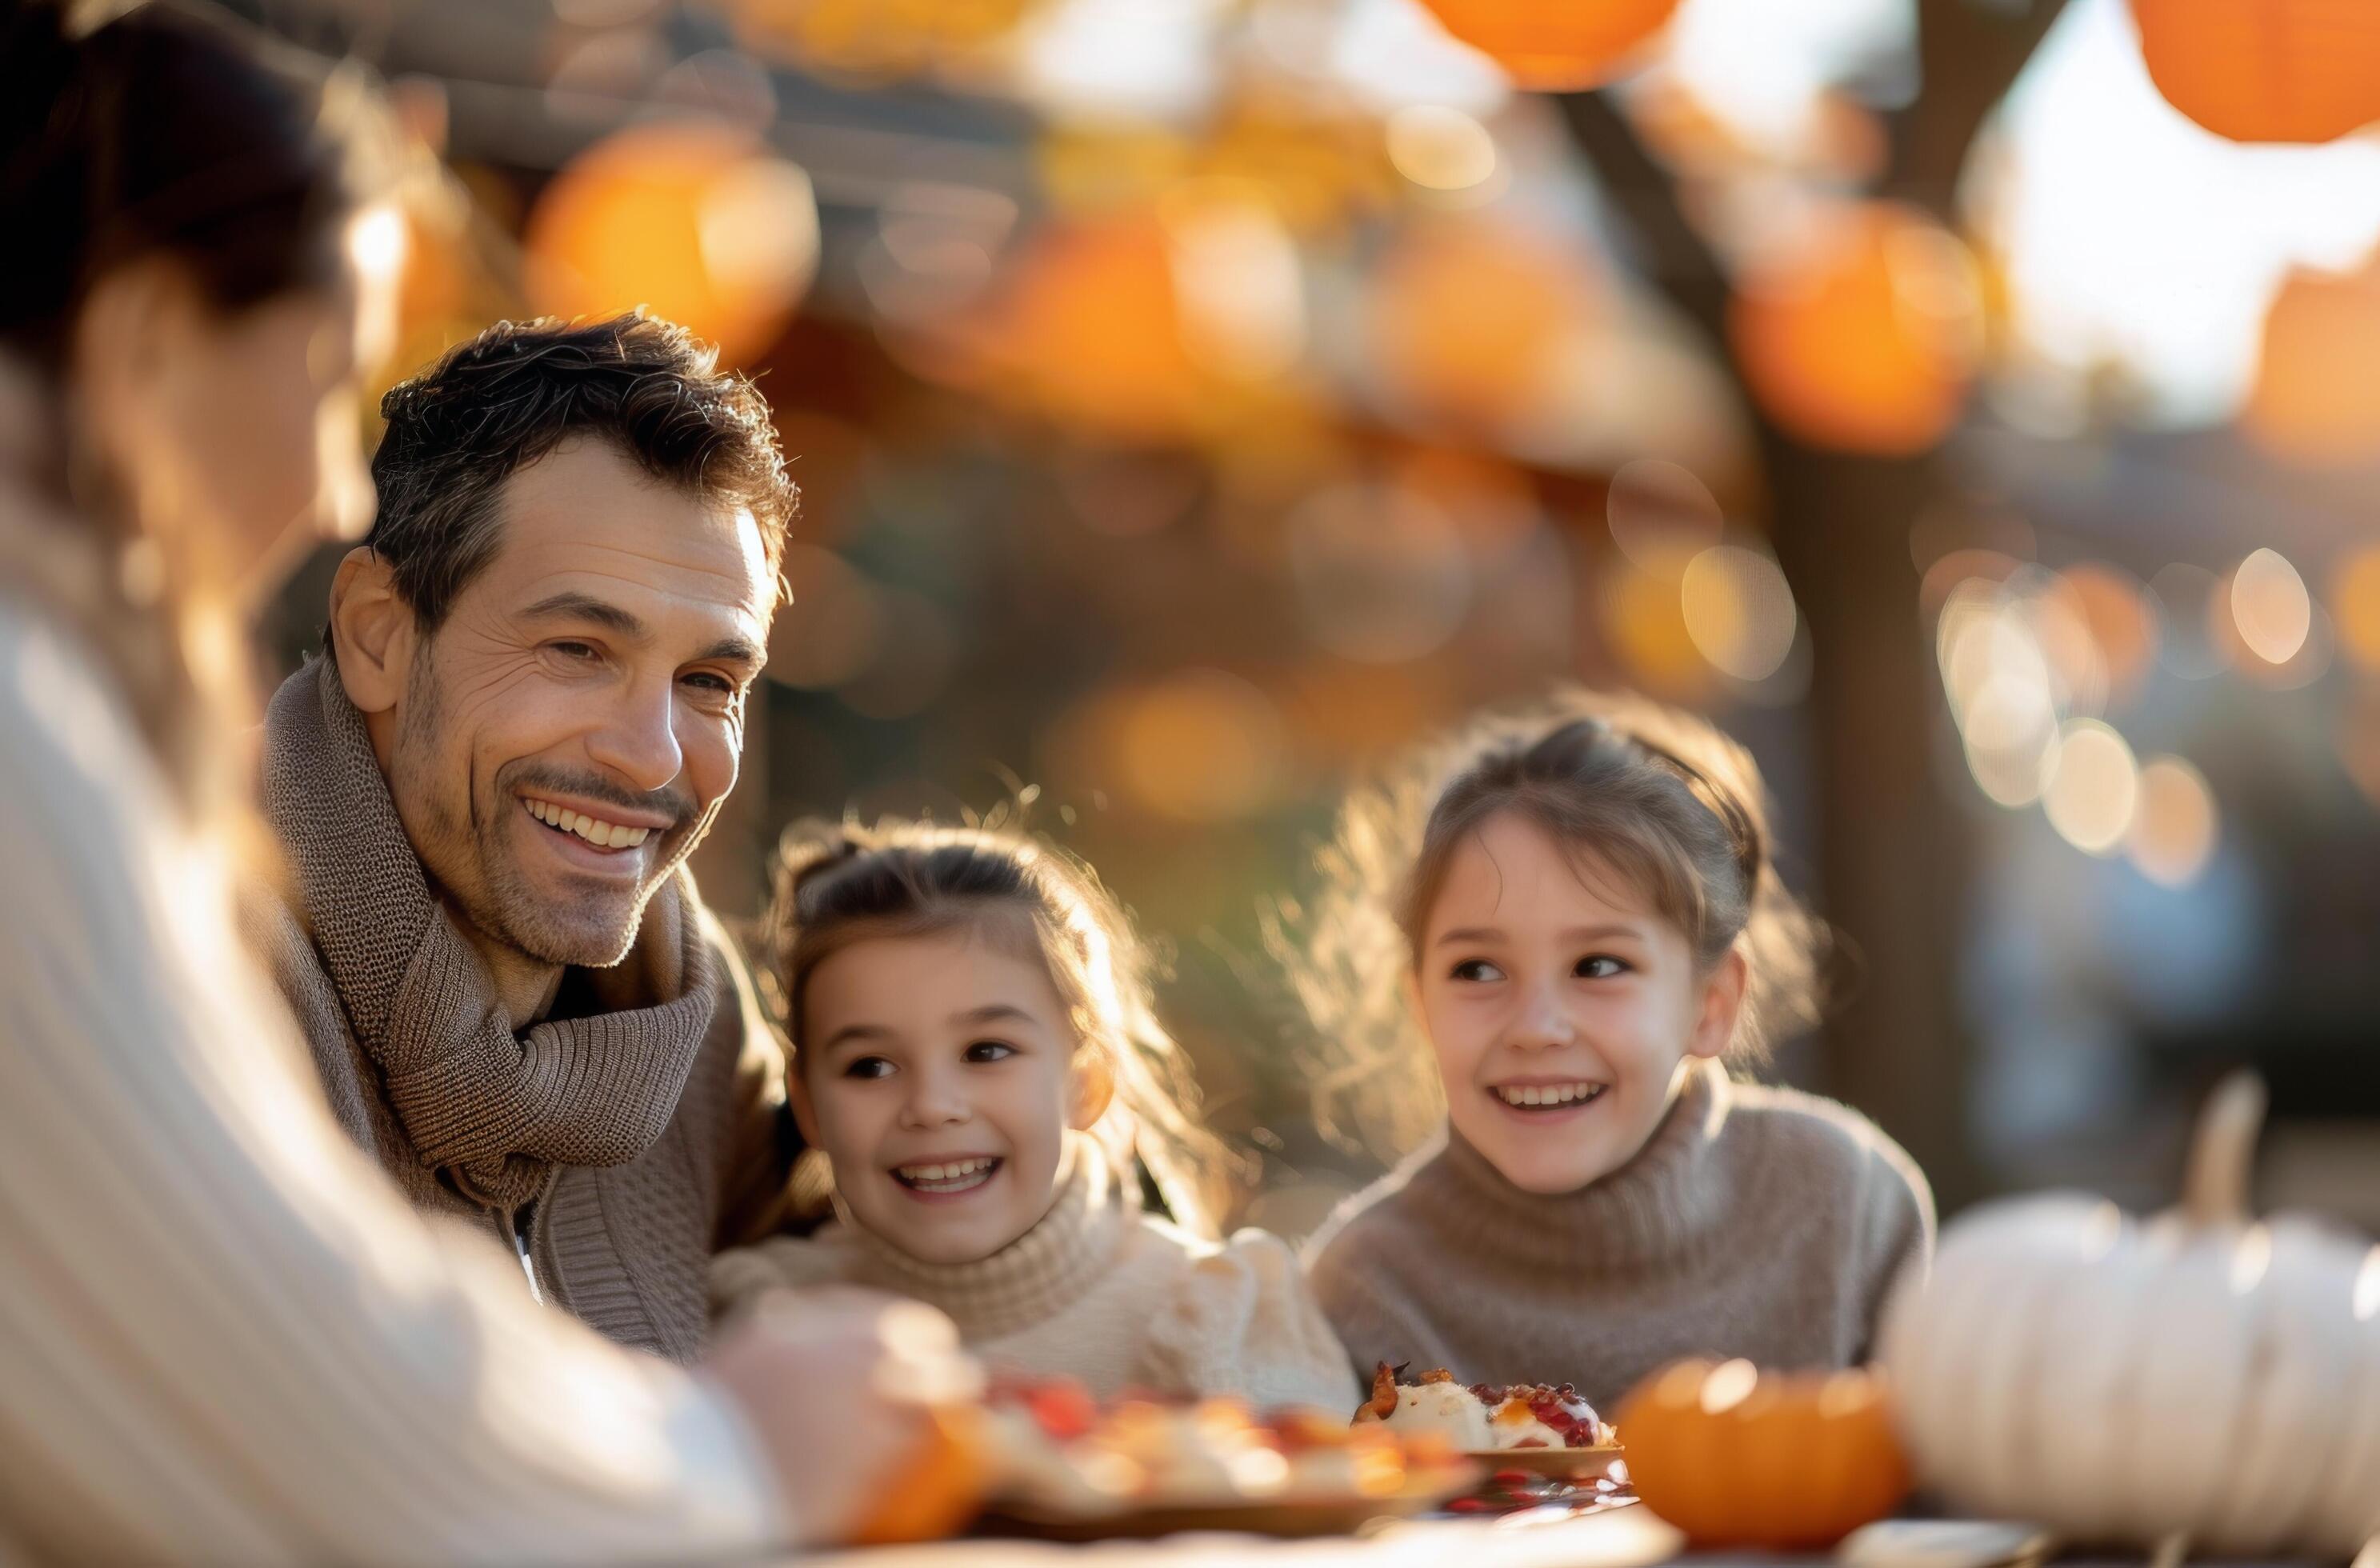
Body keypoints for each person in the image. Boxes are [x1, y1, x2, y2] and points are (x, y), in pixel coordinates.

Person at [0, 1, 963, 1558]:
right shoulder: (42, 760)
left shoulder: (700, 1040)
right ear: (147, 342)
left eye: (707, 677)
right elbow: (280, 1385)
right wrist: (721, 1450)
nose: (326, 479)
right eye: (323, 380)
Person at [252, 312, 800, 1362]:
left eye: (707, 683)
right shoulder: (167, 943)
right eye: (578, 648)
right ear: (378, 635)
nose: (651, 756)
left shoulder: (695, 1021)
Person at [1293, 690, 1933, 1410]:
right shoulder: (1365, 1290)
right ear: (1421, 1006)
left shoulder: (1845, 1208)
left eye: (1597, 966)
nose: (1535, 1026)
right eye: (1476, 970)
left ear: (1710, 1005)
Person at [712, 818, 1360, 1411]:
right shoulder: (763, 1323)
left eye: (985, 1051)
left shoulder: (1217, 1319)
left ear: (1086, 1085)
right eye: (870, 1067)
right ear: (810, 1108)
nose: (932, 1107)